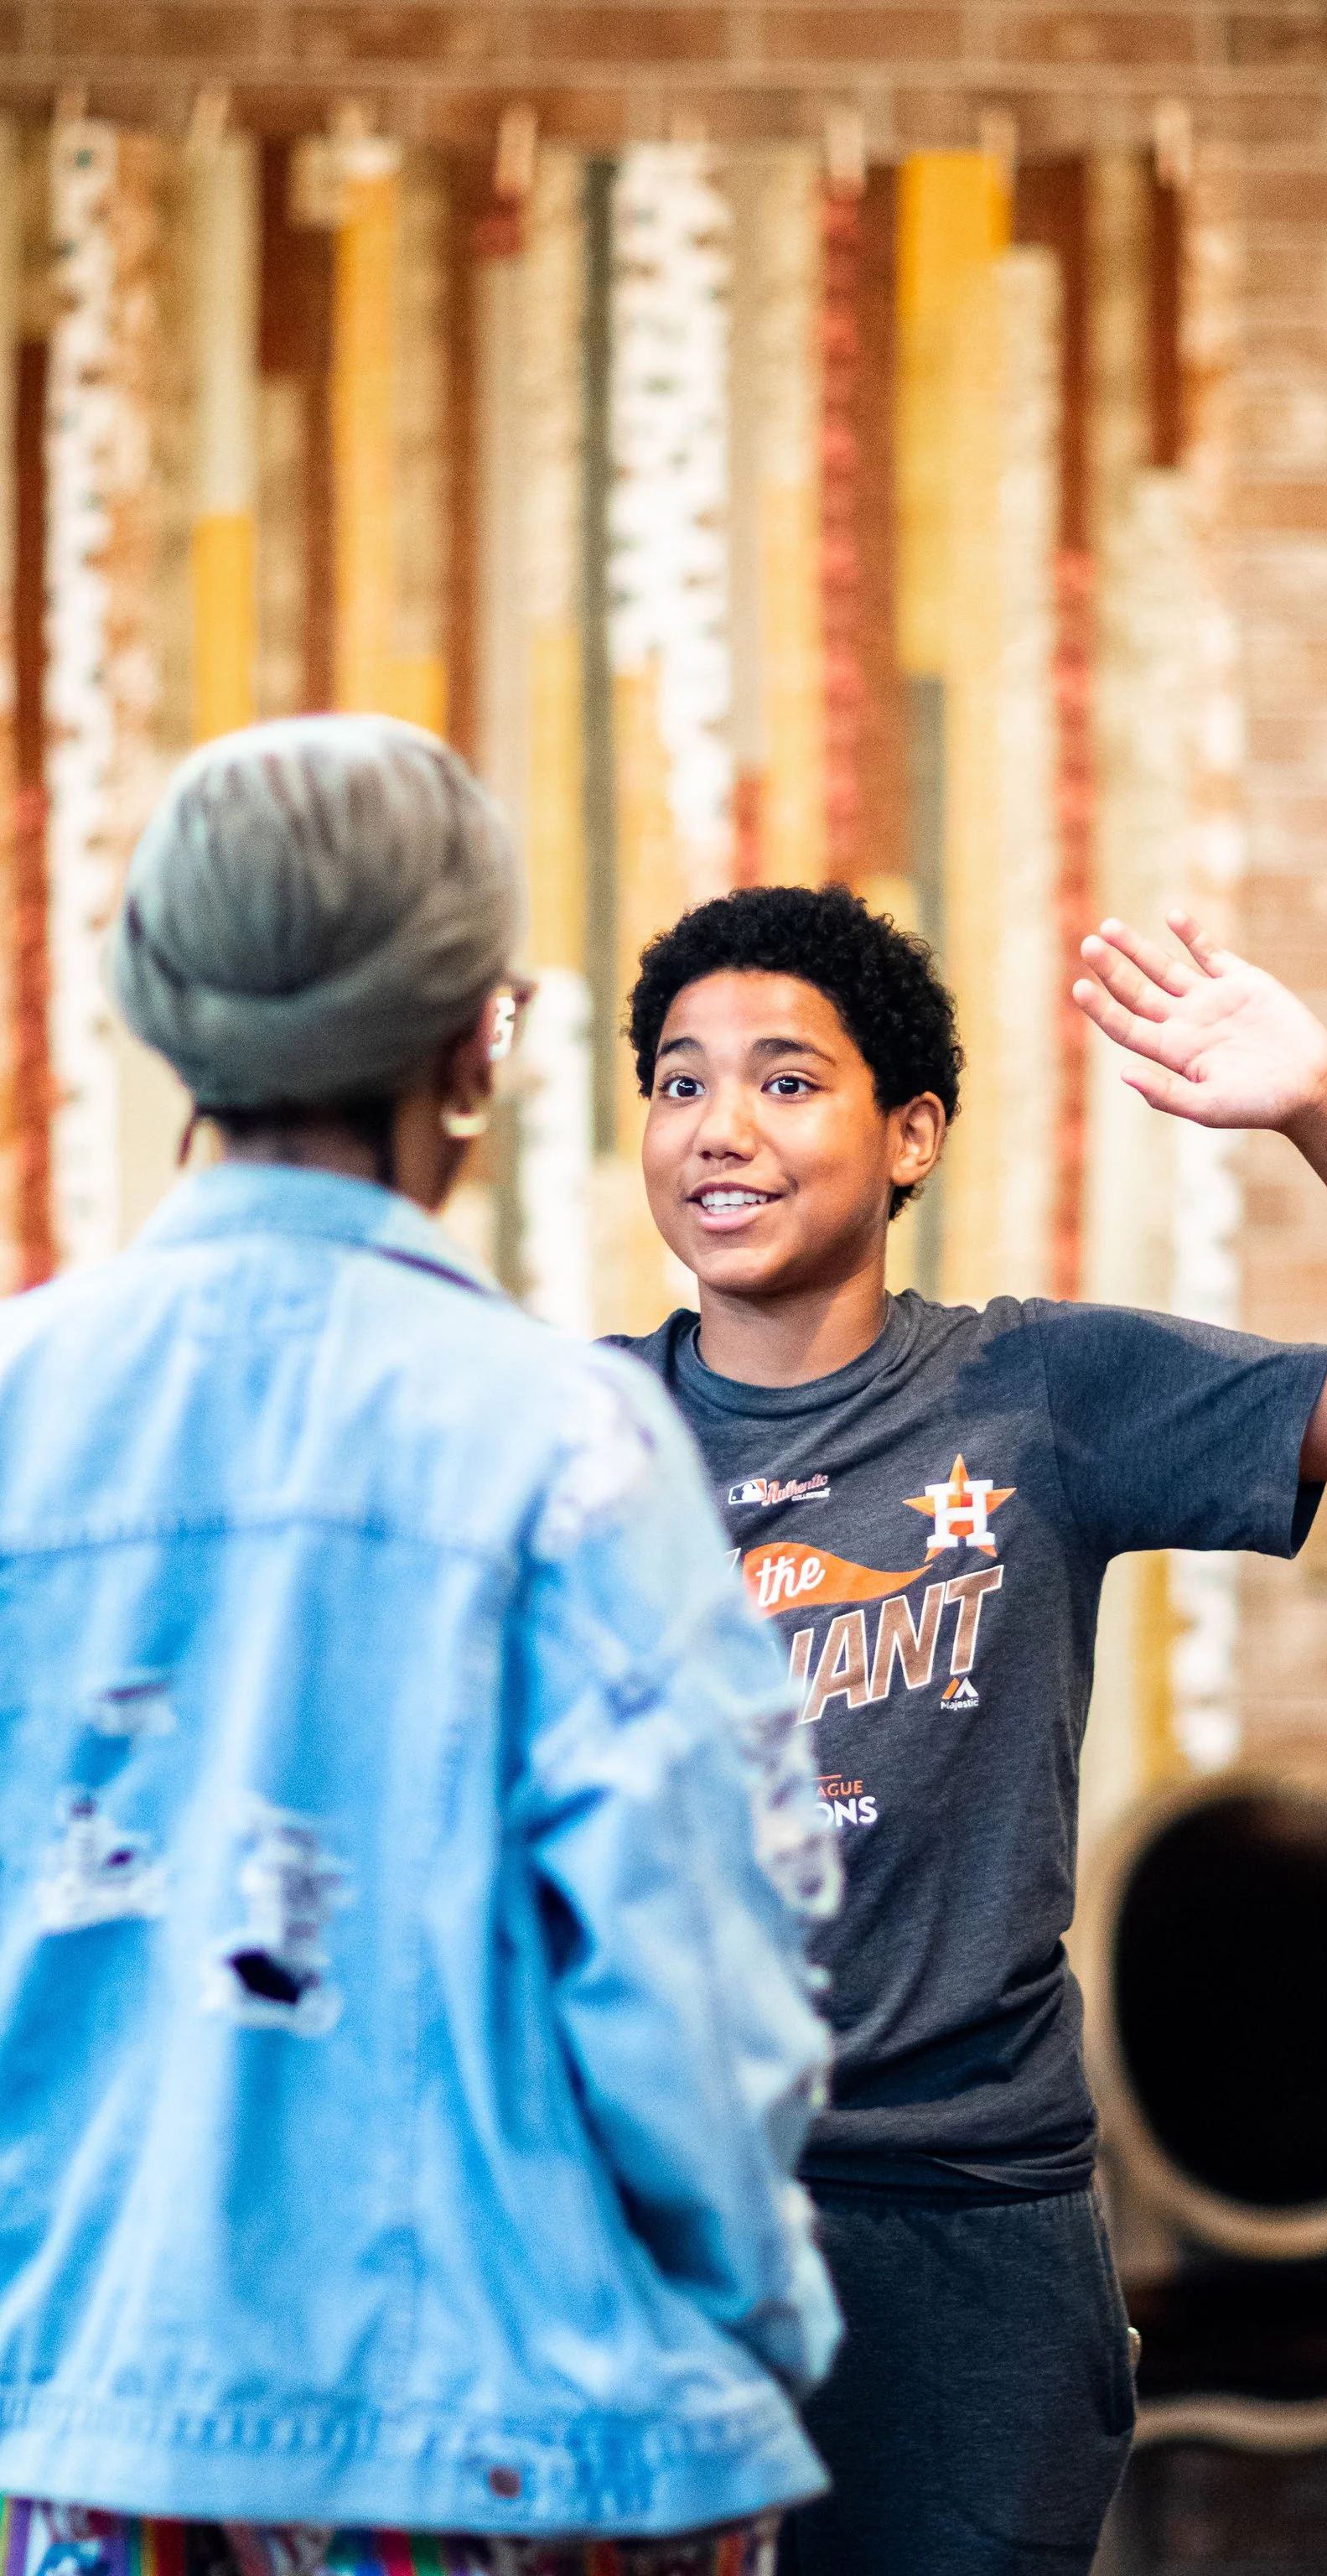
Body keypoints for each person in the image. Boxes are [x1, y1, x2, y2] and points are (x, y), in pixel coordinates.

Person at [607, 883, 1327, 2576]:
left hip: (972, 2233)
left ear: (912, 1134)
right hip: (660, 2215)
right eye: (678, 1083)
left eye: (782, 1078)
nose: (717, 1131)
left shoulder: (1040, 1394)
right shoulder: (576, 1437)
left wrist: (1326, 1111)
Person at [0, 719, 841, 2576]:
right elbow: (690, 2002)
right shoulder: (568, 1451)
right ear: (478, 1044)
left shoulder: (14, 1411)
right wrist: (756, 2339)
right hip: (513, 2464)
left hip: (79, 2453)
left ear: (164, 1022)